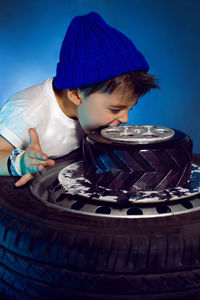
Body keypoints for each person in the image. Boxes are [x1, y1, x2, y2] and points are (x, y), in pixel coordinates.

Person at [0, 12, 159, 187]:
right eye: (115, 110)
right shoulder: (28, 111)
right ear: (76, 95)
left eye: (130, 108)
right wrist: (20, 163)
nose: (125, 119)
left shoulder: (90, 111)